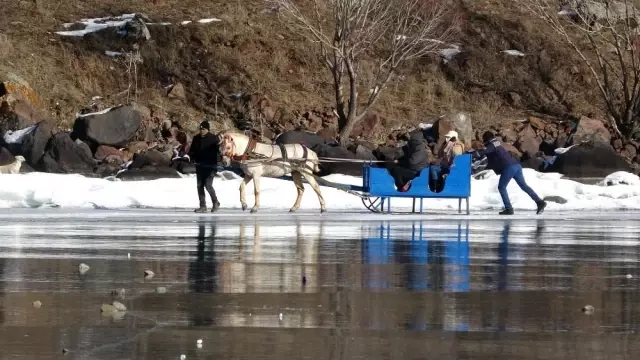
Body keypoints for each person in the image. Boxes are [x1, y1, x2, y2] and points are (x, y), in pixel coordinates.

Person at [470, 131, 547, 215]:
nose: (483, 142)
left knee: (501, 187)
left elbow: (484, 152)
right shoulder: (496, 143)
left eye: (484, 139)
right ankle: (539, 202)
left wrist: (471, 154)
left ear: (486, 139)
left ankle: (509, 208)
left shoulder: (492, 144)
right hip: (516, 165)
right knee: (524, 186)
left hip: (508, 167)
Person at [188, 120, 221, 213]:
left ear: (208, 129)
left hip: (211, 166)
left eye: (204, 129)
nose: (202, 130)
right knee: (199, 186)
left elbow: (219, 152)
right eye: (200, 129)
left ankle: (215, 202)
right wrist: (192, 158)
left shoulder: (214, 139)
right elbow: (192, 151)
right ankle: (203, 206)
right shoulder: (196, 138)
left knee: (208, 185)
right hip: (199, 166)